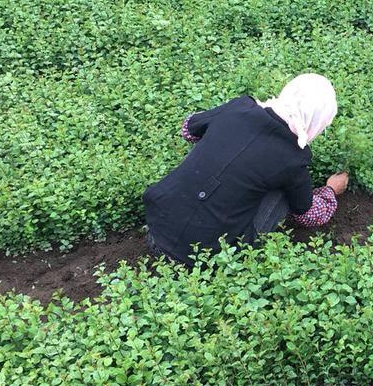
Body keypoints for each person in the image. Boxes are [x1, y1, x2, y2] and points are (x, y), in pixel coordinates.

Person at [143, 74, 349, 266]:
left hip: (156, 225)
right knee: (285, 192)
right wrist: (330, 190)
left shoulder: (240, 107)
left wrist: (223, 130)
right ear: (319, 120)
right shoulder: (293, 158)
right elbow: (307, 214)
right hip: (203, 257)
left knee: (210, 145)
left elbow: (188, 129)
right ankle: (239, 248)